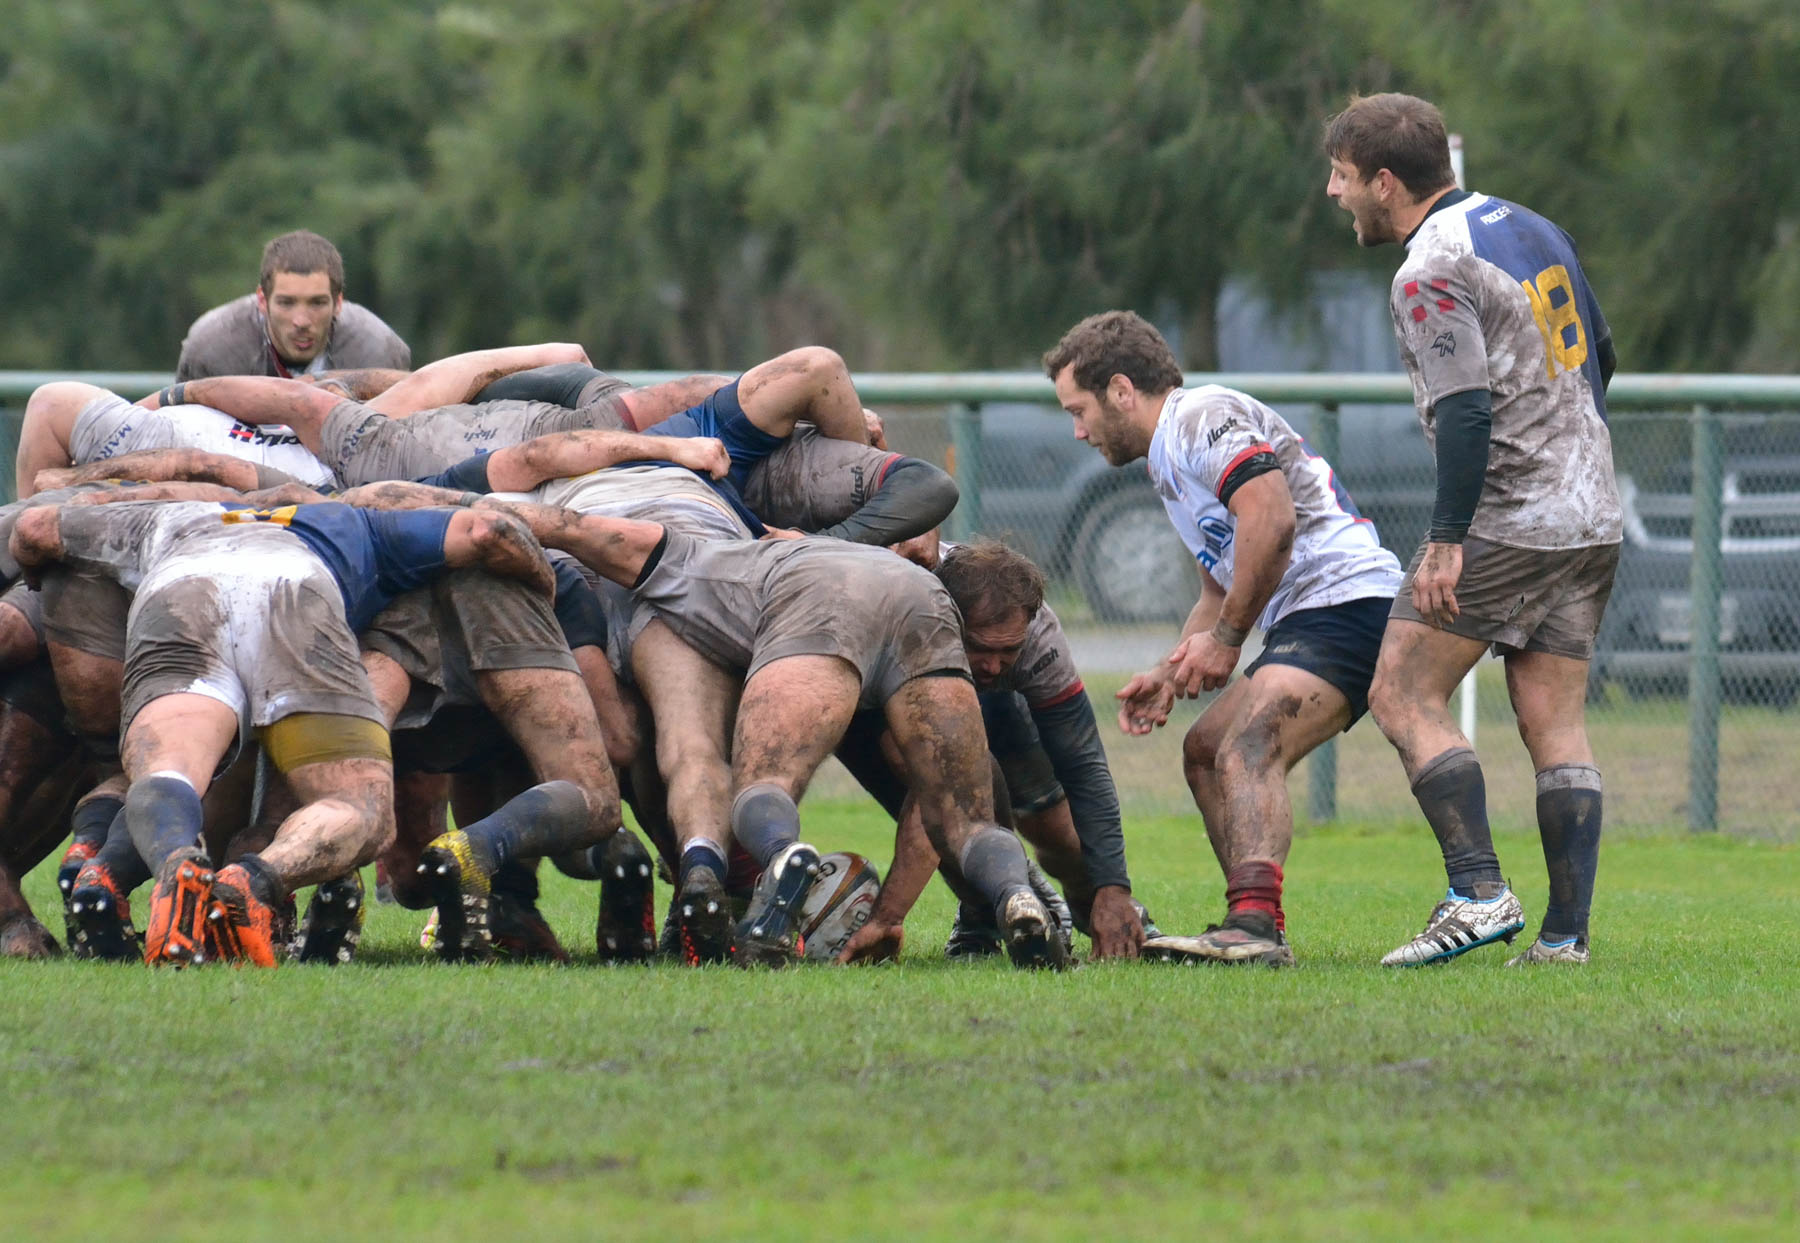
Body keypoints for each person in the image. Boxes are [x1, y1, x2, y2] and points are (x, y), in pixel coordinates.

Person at [1325, 92, 1619, 966]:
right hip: (1592, 511)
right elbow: (1604, 353)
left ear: (1385, 181)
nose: (1335, 196)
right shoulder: (1533, 227)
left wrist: (1448, 537)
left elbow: (1464, 410)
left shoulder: (1428, 269)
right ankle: (1566, 938)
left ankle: (1478, 890)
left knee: (1400, 692)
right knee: (1554, 723)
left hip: (1510, 516)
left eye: (1341, 178)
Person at [1044, 311, 1403, 966]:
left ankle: (1255, 926)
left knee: (1247, 747)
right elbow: (1218, 588)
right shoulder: (1168, 461)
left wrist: (1230, 639)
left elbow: (1272, 515)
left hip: (1349, 601)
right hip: (1311, 613)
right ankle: (1252, 922)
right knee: (1206, 748)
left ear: (1121, 390)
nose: (1078, 430)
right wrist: (1173, 668)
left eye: (1079, 409)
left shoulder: (1197, 418)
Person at [177, 230, 411, 380]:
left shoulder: (377, 354)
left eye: (317, 303)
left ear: (338, 302)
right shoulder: (213, 350)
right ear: (262, 300)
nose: (301, 321)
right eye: (286, 303)